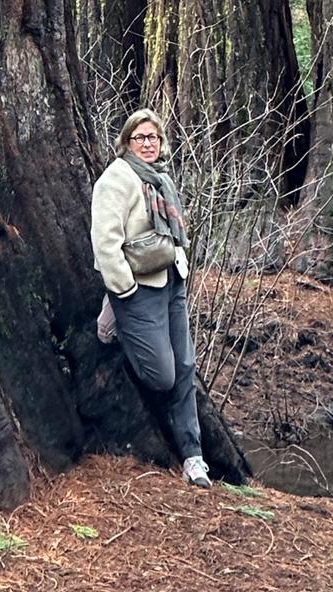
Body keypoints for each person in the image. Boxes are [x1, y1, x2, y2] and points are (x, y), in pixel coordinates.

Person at [90, 107, 211, 487]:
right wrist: (122, 289)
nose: (148, 144)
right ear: (127, 142)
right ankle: (116, 318)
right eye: (140, 137)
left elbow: (171, 233)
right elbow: (105, 244)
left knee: (185, 367)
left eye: (153, 138)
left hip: (172, 279)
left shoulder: (160, 179)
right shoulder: (115, 180)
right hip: (137, 288)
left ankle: (193, 457)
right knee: (162, 375)